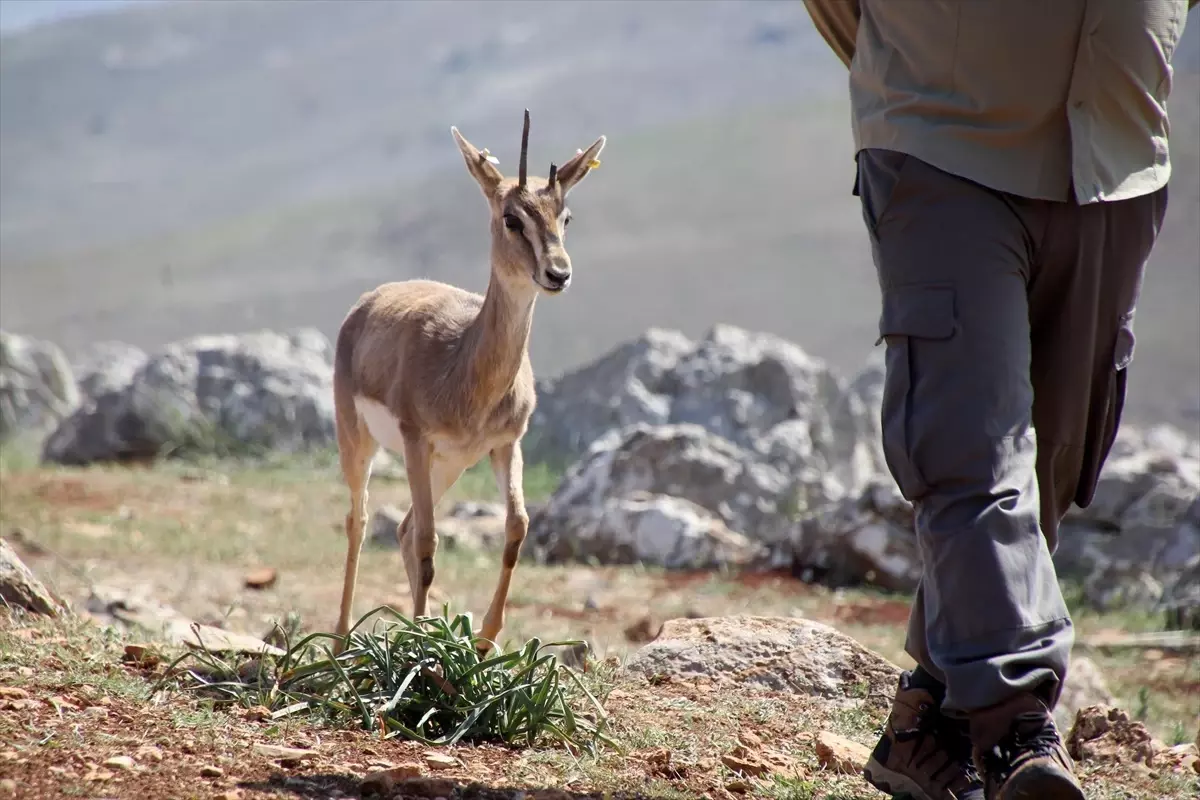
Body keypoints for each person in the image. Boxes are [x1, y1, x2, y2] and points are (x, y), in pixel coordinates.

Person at [798, 2, 1195, 799]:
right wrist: (919, 58)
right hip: (946, 144)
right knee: (972, 442)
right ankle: (1015, 729)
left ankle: (928, 722)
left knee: (1051, 457)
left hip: (1117, 157)